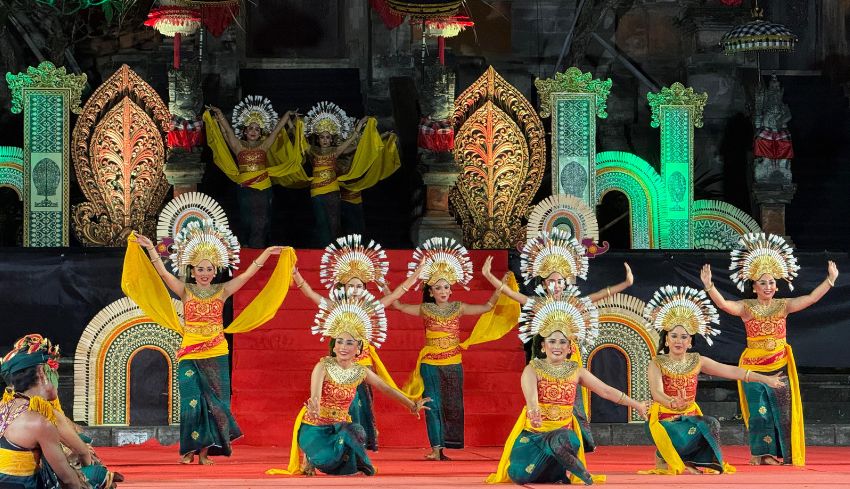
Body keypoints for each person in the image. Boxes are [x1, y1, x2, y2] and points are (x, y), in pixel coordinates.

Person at [123, 220, 296, 464]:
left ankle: (204, 453)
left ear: (216, 271)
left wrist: (266, 253)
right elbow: (162, 273)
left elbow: (248, 275)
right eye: (200, 269)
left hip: (216, 352)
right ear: (192, 271)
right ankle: (188, 450)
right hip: (189, 353)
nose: (204, 273)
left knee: (214, 403)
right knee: (191, 402)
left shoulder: (222, 290)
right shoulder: (185, 290)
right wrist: (151, 248)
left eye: (209, 269)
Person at [482, 229, 634, 451]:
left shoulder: (574, 303)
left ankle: (581, 440)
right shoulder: (537, 303)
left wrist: (626, 283)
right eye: (551, 281)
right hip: (544, 358)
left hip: (569, 357)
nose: (556, 285)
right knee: (542, 396)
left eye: (559, 281)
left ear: (565, 283)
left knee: (574, 399)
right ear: (544, 284)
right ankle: (540, 434)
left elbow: (601, 294)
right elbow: (512, 294)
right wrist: (489, 276)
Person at [700, 232, 839, 466]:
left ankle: (785, 455)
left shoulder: (784, 305)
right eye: (762, 283)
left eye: (772, 282)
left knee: (783, 413)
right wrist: (710, 286)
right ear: (754, 287)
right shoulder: (747, 307)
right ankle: (760, 455)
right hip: (753, 369)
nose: (768, 286)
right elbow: (724, 304)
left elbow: (811, 298)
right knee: (760, 412)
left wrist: (830, 280)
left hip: (779, 365)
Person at [486, 287, 648, 485]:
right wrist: (534, 411)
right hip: (534, 435)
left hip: (563, 436)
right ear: (543, 346)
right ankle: (563, 470)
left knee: (565, 439)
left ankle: (572, 470)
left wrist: (637, 405)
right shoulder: (532, 369)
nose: (557, 346)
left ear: (570, 347)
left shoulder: (576, 371)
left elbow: (605, 390)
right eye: (552, 341)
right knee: (518, 475)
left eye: (563, 342)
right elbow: (531, 399)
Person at [266, 289, 429, 476]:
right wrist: (315, 407)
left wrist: (411, 405)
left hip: (341, 431)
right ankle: (319, 459)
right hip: (315, 430)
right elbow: (315, 396)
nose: (343, 347)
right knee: (333, 457)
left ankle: (352, 464)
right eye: (340, 342)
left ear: (358, 349)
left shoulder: (361, 371)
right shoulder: (323, 366)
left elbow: (386, 388)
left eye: (349, 343)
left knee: (355, 431)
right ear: (334, 345)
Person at [290, 234, 423, 450]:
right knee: (339, 403)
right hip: (337, 367)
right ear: (343, 287)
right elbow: (310, 293)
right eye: (351, 285)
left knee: (361, 405)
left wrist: (417, 273)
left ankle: (360, 442)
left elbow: (397, 293)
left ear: (365, 289)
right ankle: (333, 441)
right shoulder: (334, 306)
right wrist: (296, 274)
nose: (355, 289)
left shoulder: (370, 308)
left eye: (360, 286)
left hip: (362, 366)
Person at [641, 285, 784, 475]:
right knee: (685, 435)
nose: (678, 341)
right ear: (666, 340)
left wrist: (765, 379)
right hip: (663, 419)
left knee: (711, 424)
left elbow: (733, 371)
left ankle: (686, 459)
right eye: (673, 336)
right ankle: (664, 453)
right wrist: (672, 402)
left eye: (684, 337)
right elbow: (657, 393)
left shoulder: (698, 361)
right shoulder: (657, 363)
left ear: (690, 342)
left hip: (690, 417)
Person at [393, 237, 514, 461]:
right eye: (438, 287)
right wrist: (390, 286)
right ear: (431, 291)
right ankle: (436, 448)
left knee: (452, 405)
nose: (443, 291)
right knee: (432, 403)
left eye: (446, 287)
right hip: (430, 363)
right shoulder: (425, 309)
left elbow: (488, 307)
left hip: (453, 363)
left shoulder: (459, 307)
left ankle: (446, 446)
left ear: (451, 290)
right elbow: (398, 305)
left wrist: (500, 286)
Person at [0, 334, 119, 488]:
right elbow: (70, 479)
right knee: (97, 475)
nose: (56, 375)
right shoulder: (40, 421)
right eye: (53, 370)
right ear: (42, 373)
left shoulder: (5, 405)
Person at [300, 101, 400, 246]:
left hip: (332, 192)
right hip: (316, 192)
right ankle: (323, 251)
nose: (325, 140)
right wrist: (294, 123)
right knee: (321, 223)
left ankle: (334, 251)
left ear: (332, 138)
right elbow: (300, 140)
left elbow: (355, 141)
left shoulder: (335, 151)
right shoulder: (312, 151)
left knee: (334, 224)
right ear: (318, 138)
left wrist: (362, 125)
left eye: (328, 137)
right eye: (322, 137)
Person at [205, 96, 296, 248]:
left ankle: (258, 250)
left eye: (257, 129)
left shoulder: (264, 146)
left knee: (262, 221)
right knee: (247, 220)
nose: (253, 131)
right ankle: (247, 248)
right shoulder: (238, 147)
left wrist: (287, 115)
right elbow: (228, 131)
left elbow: (276, 131)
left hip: (263, 188)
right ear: (245, 131)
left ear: (260, 133)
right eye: (250, 128)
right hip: (246, 189)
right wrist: (219, 114)